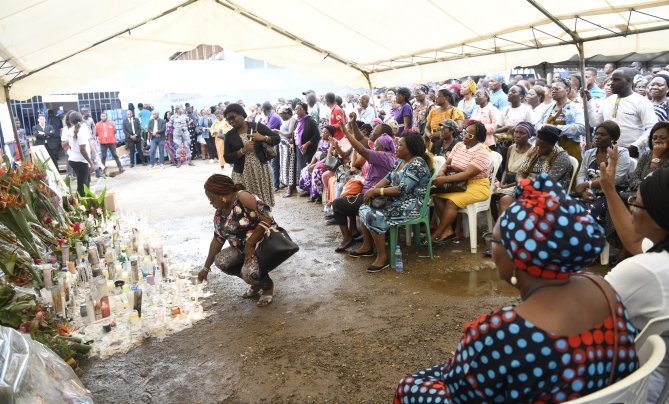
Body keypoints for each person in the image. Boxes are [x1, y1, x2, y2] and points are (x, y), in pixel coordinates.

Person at [395, 173, 639, 403]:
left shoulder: (500, 333)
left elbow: (460, 396)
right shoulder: (602, 287)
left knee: (409, 387)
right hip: (595, 392)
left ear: (517, 257)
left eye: (494, 241)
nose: (491, 250)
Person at [602, 160, 669, 402]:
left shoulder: (645, 271)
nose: (631, 209)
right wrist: (609, 189)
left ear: (658, 216)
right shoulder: (659, 258)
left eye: (635, 202)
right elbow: (635, 242)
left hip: (642, 389)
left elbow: (583, 308)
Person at [350, 132, 431, 273]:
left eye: (400, 145)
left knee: (374, 216)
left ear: (410, 149)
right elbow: (387, 178)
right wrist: (373, 189)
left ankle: (383, 257)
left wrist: (377, 192)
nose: (396, 148)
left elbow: (402, 189)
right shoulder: (400, 161)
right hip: (398, 200)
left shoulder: (417, 164)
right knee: (364, 206)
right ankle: (367, 246)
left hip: (412, 205)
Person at [198, 174, 280, 307]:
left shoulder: (243, 198)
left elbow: (267, 219)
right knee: (221, 260)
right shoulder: (220, 212)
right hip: (243, 249)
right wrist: (205, 268)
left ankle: (267, 286)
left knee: (249, 272)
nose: (211, 203)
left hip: (263, 243)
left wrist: (250, 243)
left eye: (211, 199)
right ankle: (256, 282)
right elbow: (217, 240)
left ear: (221, 195)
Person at [333, 121, 396, 252]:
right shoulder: (385, 153)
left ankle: (348, 238)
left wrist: (346, 132)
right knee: (346, 195)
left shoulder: (383, 156)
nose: (374, 147)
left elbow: (361, 149)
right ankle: (354, 233)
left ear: (383, 146)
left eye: (377, 145)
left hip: (374, 195)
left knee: (338, 204)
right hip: (370, 191)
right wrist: (352, 125)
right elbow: (361, 140)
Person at [431, 121, 491, 243]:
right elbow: (447, 163)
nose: (465, 136)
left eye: (470, 135)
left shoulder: (482, 152)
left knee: (451, 202)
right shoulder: (459, 145)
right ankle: (448, 231)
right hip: (457, 183)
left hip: (477, 185)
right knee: (436, 196)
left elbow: (467, 174)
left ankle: (436, 235)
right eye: (465, 132)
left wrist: (444, 179)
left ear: (478, 139)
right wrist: (441, 172)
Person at [586, 68, 657, 156]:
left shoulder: (642, 102)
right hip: (608, 152)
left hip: (632, 154)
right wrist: (588, 102)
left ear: (629, 81)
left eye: (616, 80)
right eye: (611, 80)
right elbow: (595, 123)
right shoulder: (607, 101)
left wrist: (635, 146)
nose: (611, 83)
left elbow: (652, 128)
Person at [574, 121, 630, 228]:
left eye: (602, 134)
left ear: (612, 138)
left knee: (586, 214)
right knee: (565, 205)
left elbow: (615, 179)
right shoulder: (589, 153)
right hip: (591, 193)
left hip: (612, 194)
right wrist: (583, 192)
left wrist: (587, 185)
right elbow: (581, 175)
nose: (597, 137)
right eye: (596, 133)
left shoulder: (622, 153)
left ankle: (591, 235)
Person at [223, 103, 280, 207]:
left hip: (261, 172)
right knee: (245, 203)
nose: (231, 122)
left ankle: (264, 217)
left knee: (262, 203)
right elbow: (227, 158)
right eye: (228, 120)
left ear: (241, 114)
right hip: (242, 175)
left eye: (233, 117)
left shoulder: (256, 127)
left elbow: (277, 138)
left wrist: (263, 138)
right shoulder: (229, 135)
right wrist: (242, 151)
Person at [536, 78, 585, 163]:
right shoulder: (548, 108)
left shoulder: (575, 108)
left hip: (570, 149)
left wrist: (556, 129)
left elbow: (581, 128)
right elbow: (537, 126)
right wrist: (545, 128)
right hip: (551, 151)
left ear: (567, 90)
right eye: (552, 89)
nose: (553, 91)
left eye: (557, 89)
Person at [298, 125, 335, 202]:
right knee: (305, 170)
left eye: (326, 132)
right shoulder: (321, 141)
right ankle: (310, 192)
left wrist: (315, 165)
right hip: (319, 162)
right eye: (323, 132)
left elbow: (328, 157)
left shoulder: (333, 143)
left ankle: (318, 195)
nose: (323, 134)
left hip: (326, 163)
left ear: (330, 134)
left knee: (316, 172)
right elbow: (316, 153)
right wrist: (311, 164)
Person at [629, 122, 669, 191]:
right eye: (654, 138)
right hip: (639, 194)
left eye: (663, 138)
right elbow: (633, 179)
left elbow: (656, 185)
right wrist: (643, 189)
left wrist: (656, 157)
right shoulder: (646, 155)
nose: (657, 141)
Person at [63, 112, 95, 197]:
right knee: (84, 185)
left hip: (73, 159)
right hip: (81, 161)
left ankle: (80, 200)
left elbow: (67, 144)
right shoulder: (82, 130)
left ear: (70, 121)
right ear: (81, 119)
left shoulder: (70, 130)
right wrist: (91, 162)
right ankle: (83, 202)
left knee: (82, 183)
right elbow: (82, 149)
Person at [274, 106, 297, 197]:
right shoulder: (285, 121)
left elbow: (290, 134)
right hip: (283, 145)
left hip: (288, 146)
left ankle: (290, 188)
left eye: (282, 114)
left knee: (289, 167)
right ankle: (290, 187)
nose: (281, 116)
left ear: (287, 113)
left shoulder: (292, 120)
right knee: (284, 167)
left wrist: (278, 131)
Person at [294, 102, 320, 173]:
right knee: (301, 168)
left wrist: (306, 144)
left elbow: (317, 135)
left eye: (299, 109)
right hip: (299, 148)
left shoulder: (310, 121)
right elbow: (295, 134)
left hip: (309, 149)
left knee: (307, 168)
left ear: (305, 110)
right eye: (296, 109)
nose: (297, 111)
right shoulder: (297, 121)